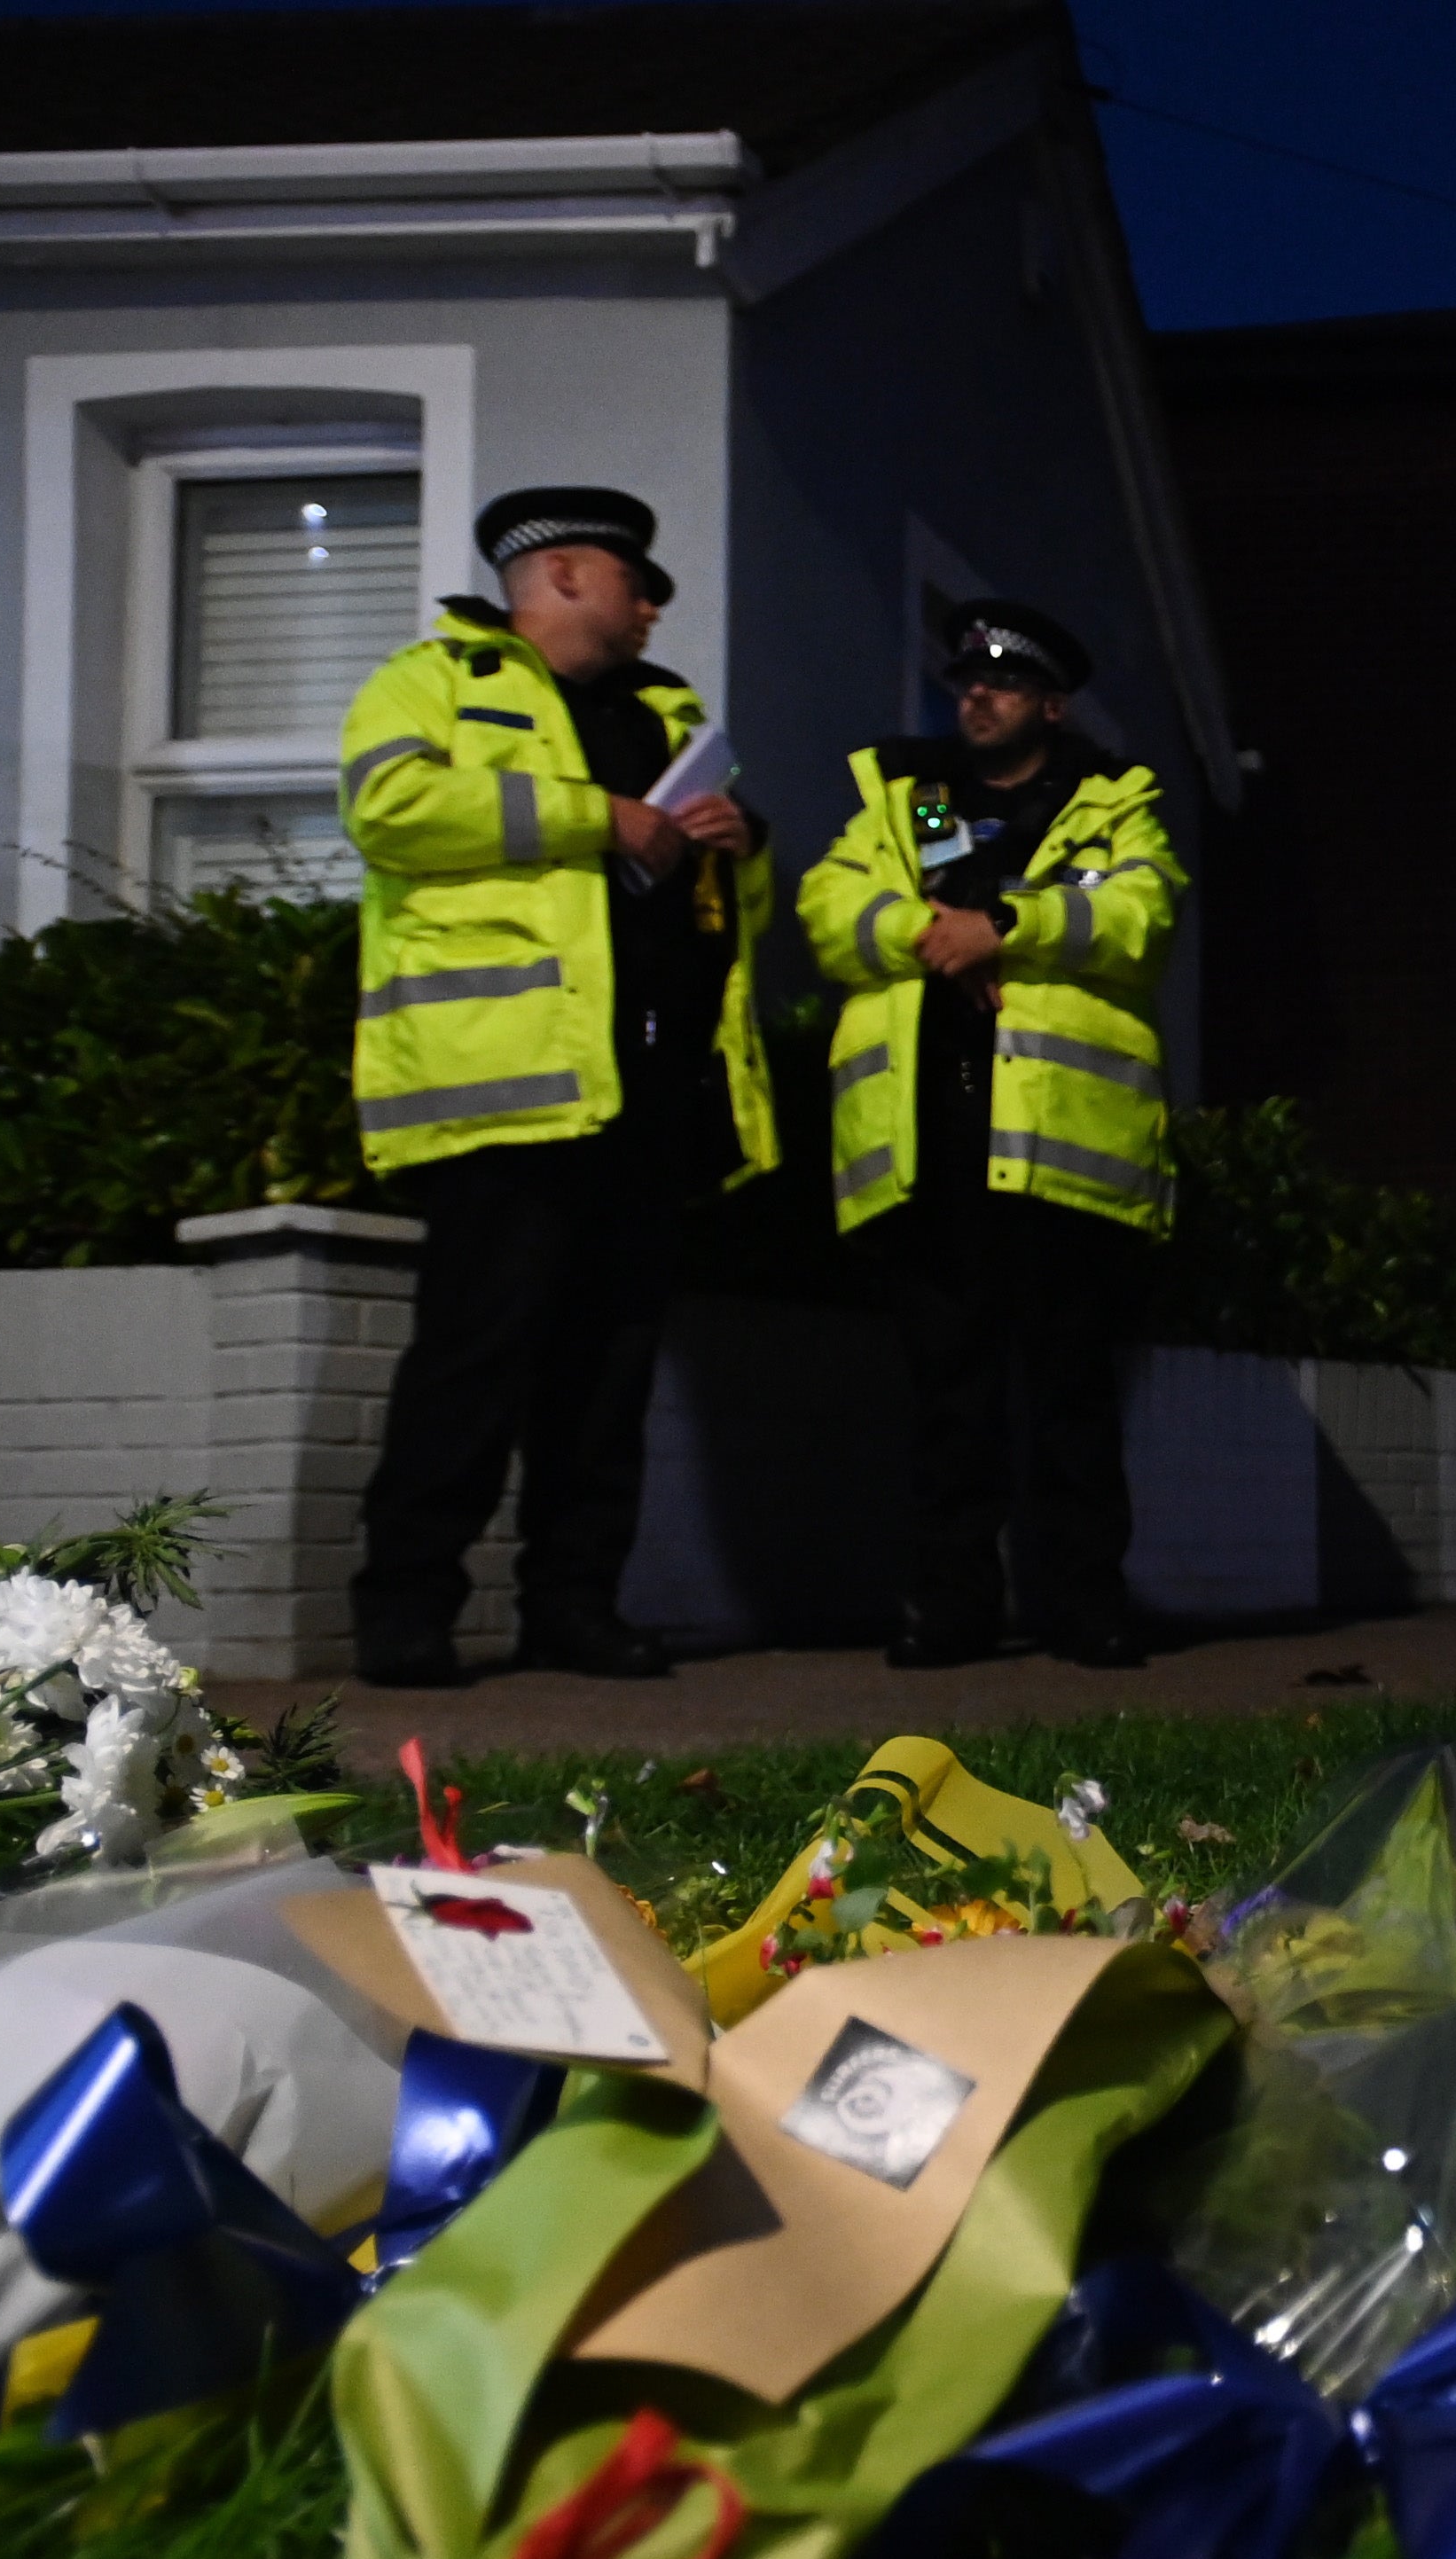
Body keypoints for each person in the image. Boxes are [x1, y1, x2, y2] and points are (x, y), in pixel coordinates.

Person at [333, 486, 776, 1688]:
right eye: (637, 586)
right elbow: (389, 807)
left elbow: (718, 919)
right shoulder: (438, 679)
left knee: (605, 1381)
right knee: (472, 1362)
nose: (649, 613)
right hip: (504, 1095)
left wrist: (743, 850)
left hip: (645, 1099)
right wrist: (604, 818)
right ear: (571, 577)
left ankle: (572, 1609)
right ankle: (406, 1613)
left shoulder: (663, 710)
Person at [797, 597, 1185, 1667]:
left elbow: (1141, 915)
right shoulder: (913, 801)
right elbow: (833, 905)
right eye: (967, 680)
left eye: (1002, 683)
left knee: (1070, 1396)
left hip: (1061, 1157)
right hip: (930, 1148)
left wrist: (1006, 927)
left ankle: (1084, 1604)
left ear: (1050, 705)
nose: (977, 695)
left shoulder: (1110, 804)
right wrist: (927, 934)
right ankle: (948, 1605)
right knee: (947, 1401)